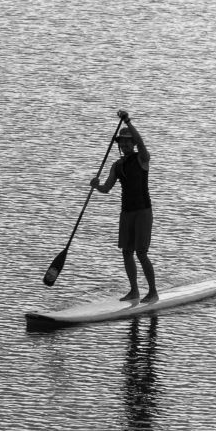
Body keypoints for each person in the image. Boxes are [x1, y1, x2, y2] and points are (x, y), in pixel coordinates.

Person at [91, 110, 158, 303]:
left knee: (141, 253)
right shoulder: (117, 165)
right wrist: (96, 186)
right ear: (119, 144)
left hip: (143, 211)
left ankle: (153, 292)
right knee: (127, 252)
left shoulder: (142, 158)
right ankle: (134, 291)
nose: (125, 144)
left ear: (133, 143)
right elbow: (106, 188)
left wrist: (128, 121)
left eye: (128, 141)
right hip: (126, 212)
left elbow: (141, 141)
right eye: (122, 142)